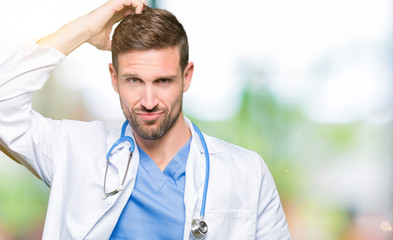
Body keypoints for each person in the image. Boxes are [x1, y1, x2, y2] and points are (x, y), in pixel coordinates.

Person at [0, 0, 291, 239]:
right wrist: (85, 28)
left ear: (186, 77)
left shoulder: (247, 172)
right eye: (134, 80)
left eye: (163, 81)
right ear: (114, 78)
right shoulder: (74, 152)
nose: (149, 101)